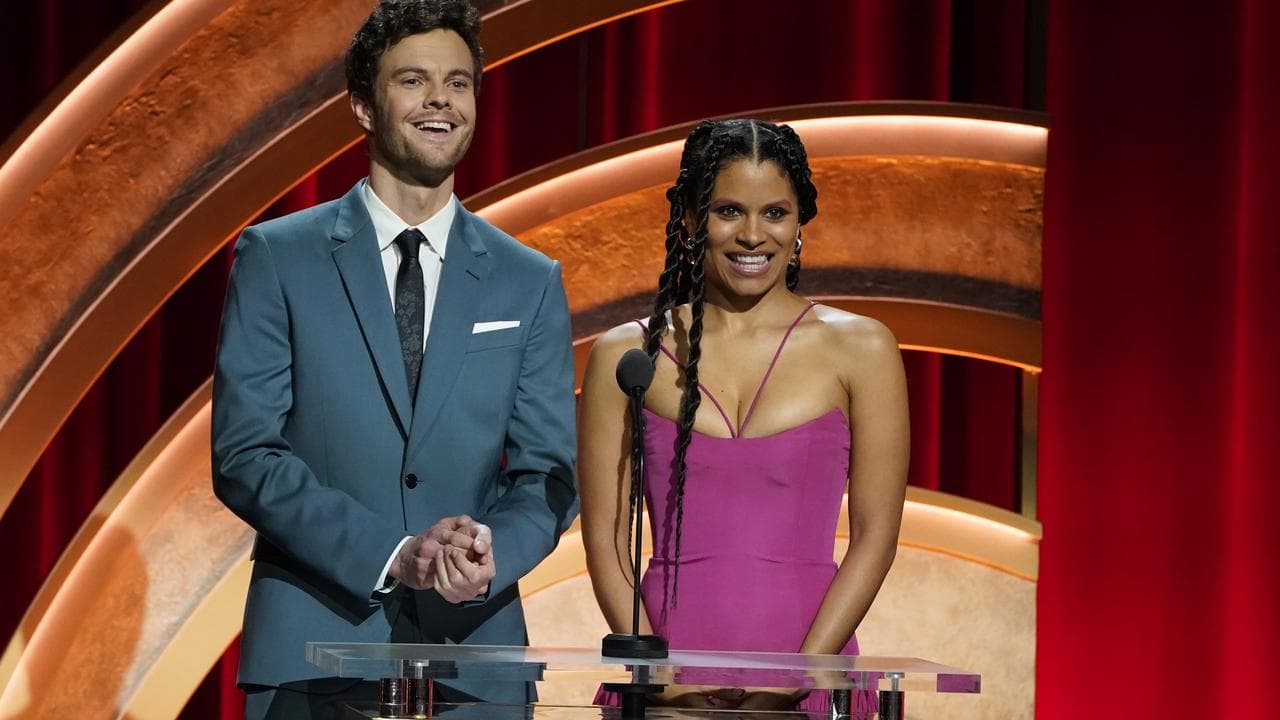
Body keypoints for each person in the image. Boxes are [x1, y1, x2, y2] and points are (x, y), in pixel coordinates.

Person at [211, 1, 577, 717]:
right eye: (413, 80)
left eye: (458, 82)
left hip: (474, 663)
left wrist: (488, 552)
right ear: (362, 106)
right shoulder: (277, 257)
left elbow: (548, 473)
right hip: (313, 650)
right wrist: (392, 553)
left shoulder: (528, 279)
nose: (440, 99)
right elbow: (246, 454)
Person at [579, 118, 909, 714]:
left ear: (799, 222)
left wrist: (800, 675)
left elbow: (875, 537)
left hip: (808, 677)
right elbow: (604, 539)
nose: (753, 235)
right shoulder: (626, 355)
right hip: (666, 688)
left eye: (775, 213)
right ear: (690, 219)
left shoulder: (863, 349)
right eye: (728, 211)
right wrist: (658, 673)